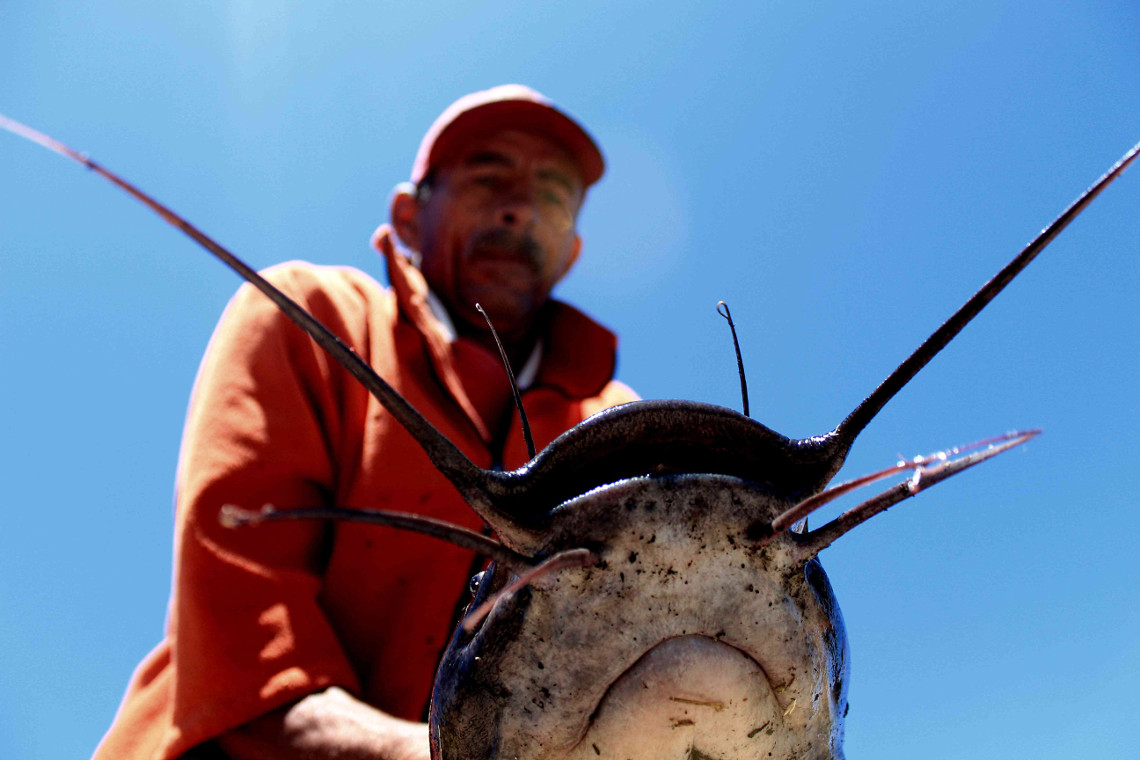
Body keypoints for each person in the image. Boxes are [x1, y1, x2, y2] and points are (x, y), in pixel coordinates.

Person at [93, 85, 638, 760]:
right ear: (409, 216)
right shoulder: (306, 314)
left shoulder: (617, 423)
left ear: (571, 252)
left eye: (553, 195)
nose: (519, 208)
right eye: (487, 175)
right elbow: (248, 644)